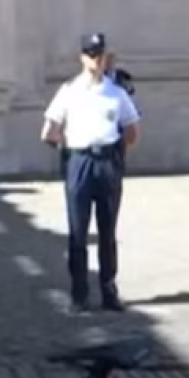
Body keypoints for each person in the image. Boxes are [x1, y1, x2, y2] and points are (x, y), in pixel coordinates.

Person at [41, 32, 141, 312]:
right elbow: (48, 131)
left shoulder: (116, 92)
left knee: (108, 232)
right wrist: (69, 150)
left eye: (100, 54)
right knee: (78, 232)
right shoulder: (69, 91)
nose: (96, 60)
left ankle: (109, 290)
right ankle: (79, 293)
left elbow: (132, 131)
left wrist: (117, 157)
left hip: (107, 161)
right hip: (80, 161)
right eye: (91, 54)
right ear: (82, 57)